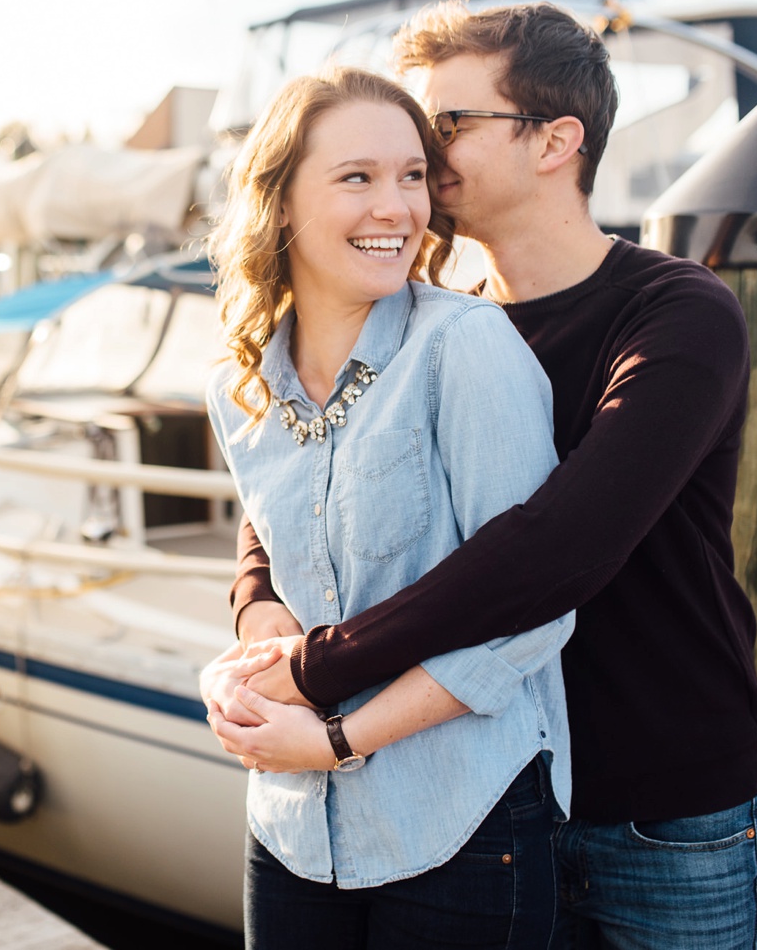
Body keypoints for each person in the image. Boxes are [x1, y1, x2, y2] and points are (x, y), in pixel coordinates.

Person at [208, 0, 757, 949]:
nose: (423, 155)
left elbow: (555, 550)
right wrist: (255, 595)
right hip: (483, 790)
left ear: (557, 141)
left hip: (663, 810)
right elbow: (306, 466)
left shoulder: (676, 314)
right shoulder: (434, 325)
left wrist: (318, 673)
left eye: (448, 126)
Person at [202, 64, 575, 949]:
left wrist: (338, 738)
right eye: (357, 178)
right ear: (281, 203)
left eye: (412, 176)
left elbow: (528, 615)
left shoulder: (466, 348)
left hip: (462, 820)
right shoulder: (241, 384)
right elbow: (283, 567)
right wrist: (245, 666)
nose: (398, 208)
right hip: (291, 827)